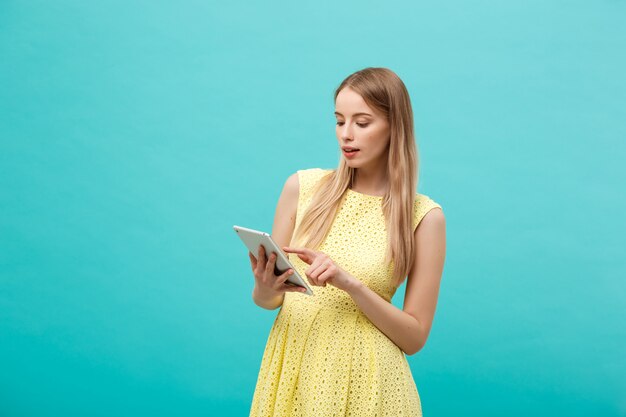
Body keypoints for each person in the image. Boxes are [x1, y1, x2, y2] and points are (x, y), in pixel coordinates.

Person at [247, 67, 446, 416]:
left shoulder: (423, 217)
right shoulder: (302, 188)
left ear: (394, 127)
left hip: (370, 387)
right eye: (339, 121)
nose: (346, 135)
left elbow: (414, 338)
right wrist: (265, 287)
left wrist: (350, 284)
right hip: (293, 369)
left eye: (362, 122)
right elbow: (268, 301)